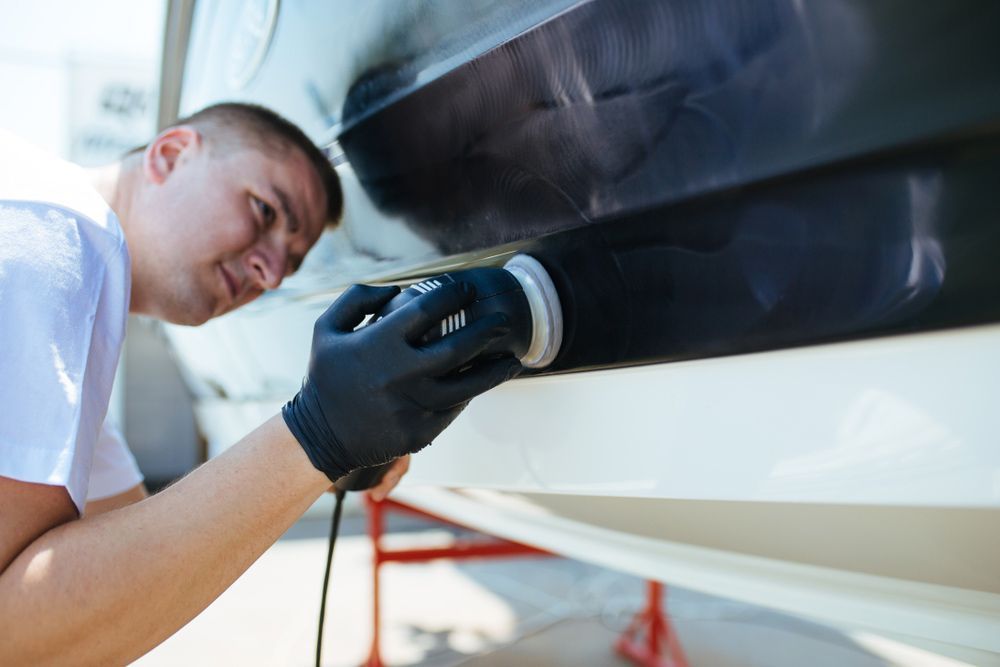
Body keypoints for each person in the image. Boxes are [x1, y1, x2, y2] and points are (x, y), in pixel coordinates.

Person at [0, 103, 521, 663]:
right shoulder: (56, 232)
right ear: (171, 154)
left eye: (289, 265)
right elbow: (19, 634)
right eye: (266, 211)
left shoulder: (61, 264)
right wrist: (316, 435)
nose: (270, 274)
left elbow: (120, 577)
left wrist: (317, 453)